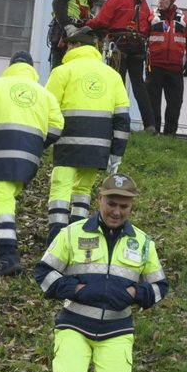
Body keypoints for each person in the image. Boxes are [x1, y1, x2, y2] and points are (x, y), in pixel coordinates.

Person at [34, 172, 169, 372]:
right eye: (112, 203)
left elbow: (161, 286)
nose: (116, 211)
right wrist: (77, 290)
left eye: (124, 206)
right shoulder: (71, 233)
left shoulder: (143, 243)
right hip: (74, 325)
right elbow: (43, 273)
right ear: (100, 200)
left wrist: (137, 293)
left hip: (117, 332)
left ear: (131, 207)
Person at [0, 51, 64, 275]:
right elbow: (57, 125)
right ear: (32, 69)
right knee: (5, 198)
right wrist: (38, 146)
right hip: (29, 158)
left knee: (2, 202)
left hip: (1, 150)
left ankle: (7, 255)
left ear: (11, 66)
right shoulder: (44, 94)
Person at [44, 26, 132, 244]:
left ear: (76, 45)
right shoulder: (112, 75)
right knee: (83, 190)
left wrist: (43, 140)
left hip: (67, 142)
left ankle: (56, 239)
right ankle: (76, 239)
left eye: (68, 45)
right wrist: (117, 153)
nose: (64, 50)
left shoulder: (62, 72)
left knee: (61, 188)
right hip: (99, 146)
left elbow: (46, 109)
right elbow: (122, 119)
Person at [88, 0, 157, 132]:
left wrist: (86, 25)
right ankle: (150, 124)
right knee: (138, 85)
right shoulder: (143, 2)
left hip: (119, 44)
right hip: (139, 45)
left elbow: (102, 20)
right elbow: (147, 25)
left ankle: (114, 121)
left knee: (115, 84)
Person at [144, 0, 187, 135]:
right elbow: (143, 37)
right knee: (153, 101)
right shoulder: (151, 16)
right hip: (154, 66)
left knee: (175, 102)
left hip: (175, 68)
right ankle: (153, 132)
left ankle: (170, 134)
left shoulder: (184, 18)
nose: (160, 2)